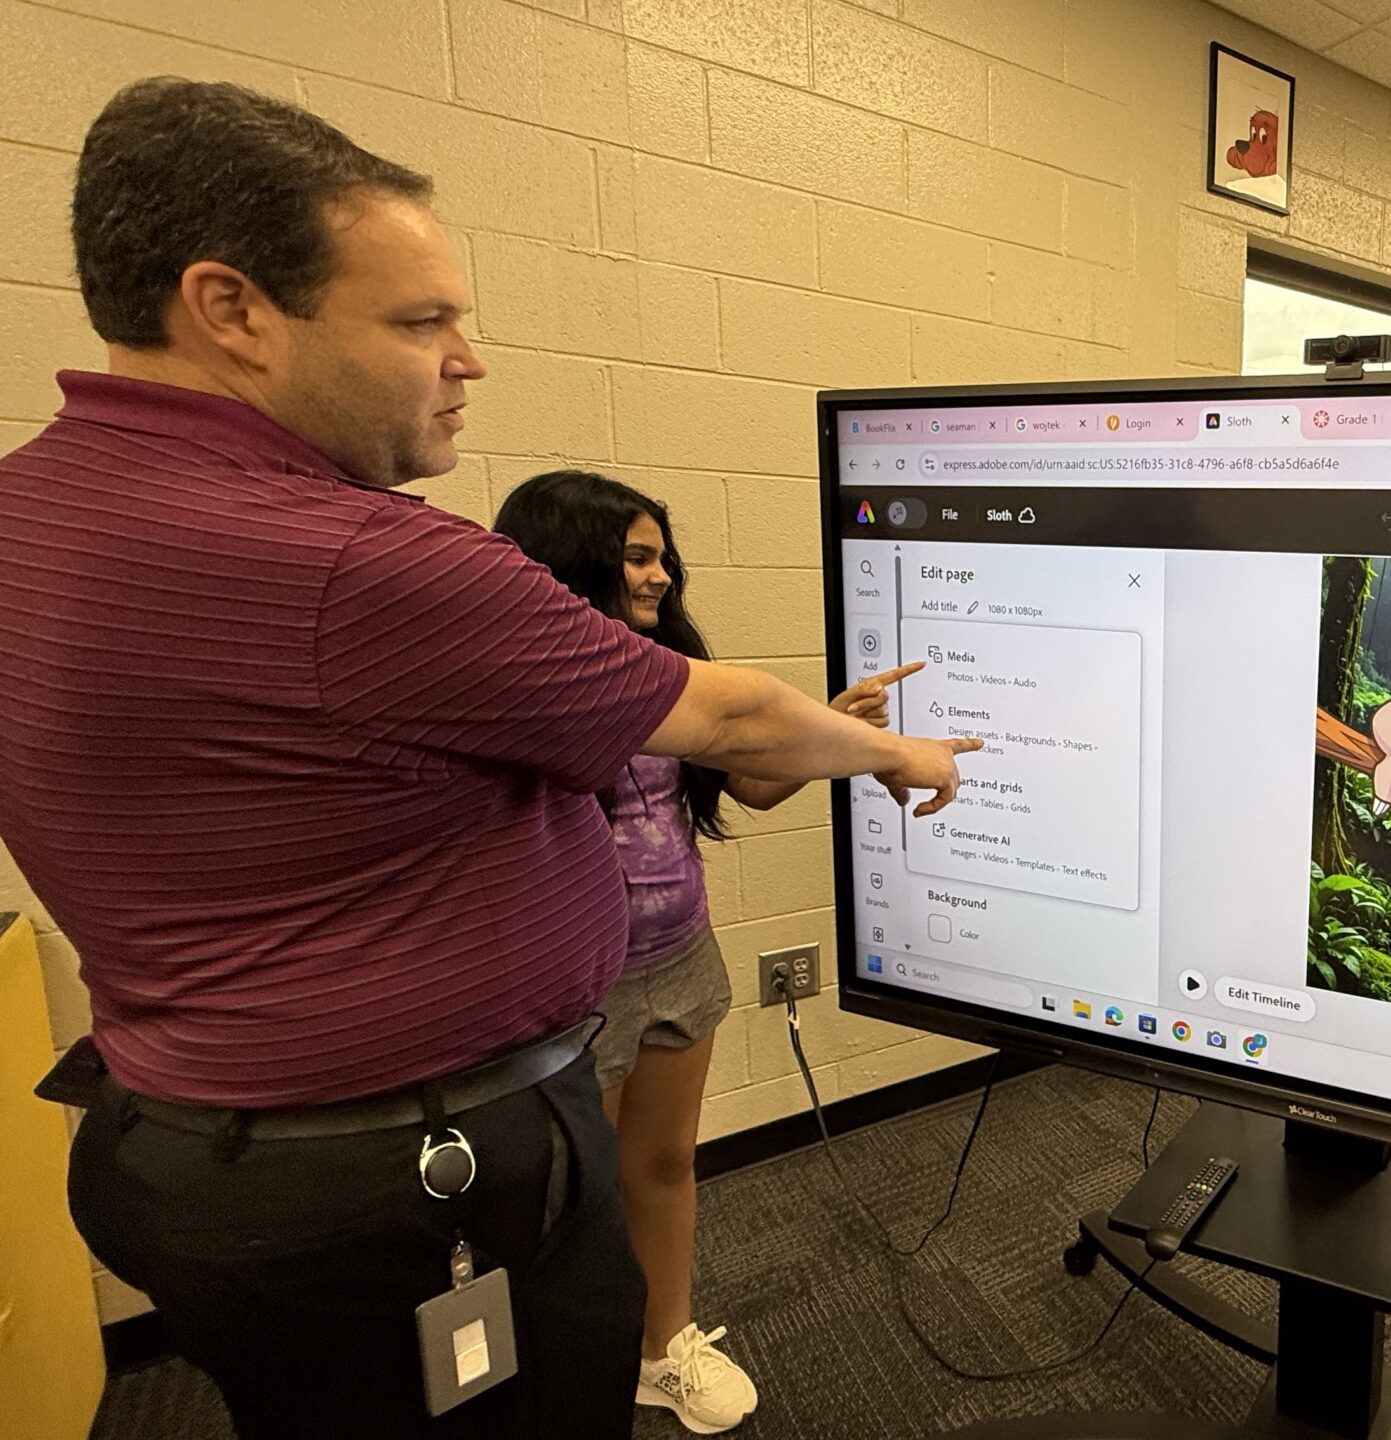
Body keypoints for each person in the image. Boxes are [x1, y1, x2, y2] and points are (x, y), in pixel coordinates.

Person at [0, 78, 975, 1439]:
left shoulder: (25, 512)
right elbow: (738, 725)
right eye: (420, 321)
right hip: (399, 1183)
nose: (469, 359)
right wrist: (903, 747)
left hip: (174, 1151)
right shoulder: (363, 559)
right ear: (228, 310)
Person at [490, 470, 915, 1433]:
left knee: (667, 1162)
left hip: (680, 956)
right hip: (575, 983)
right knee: (577, 1188)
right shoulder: (525, 687)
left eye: (662, 555)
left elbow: (748, 791)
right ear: (575, 561)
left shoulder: (673, 669)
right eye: (637, 557)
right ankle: (575, 1359)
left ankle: (663, 1345)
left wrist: (839, 736)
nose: (660, 575)